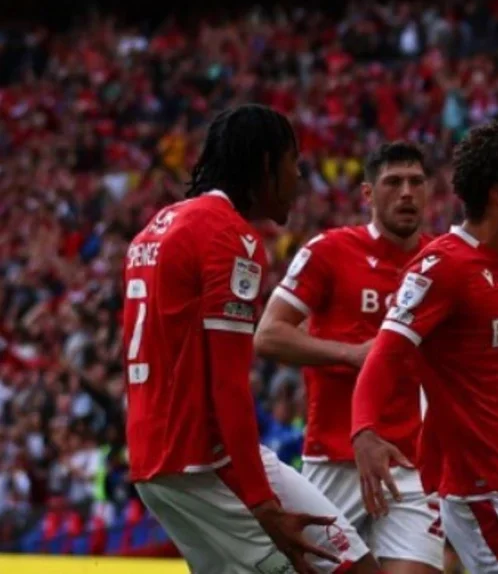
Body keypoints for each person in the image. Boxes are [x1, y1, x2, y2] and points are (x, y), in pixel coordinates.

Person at [123, 104, 378, 574]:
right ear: (266, 165)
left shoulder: (155, 228)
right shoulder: (229, 238)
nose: (299, 179)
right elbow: (228, 386)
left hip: (152, 458)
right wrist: (261, 502)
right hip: (206, 459)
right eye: (293, 164)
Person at [349, 120, 498, 573]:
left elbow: (471, 374)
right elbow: (385, 353)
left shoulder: (496, 265)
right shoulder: (443, 265)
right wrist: (364, 432)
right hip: (493, 497)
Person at [254, 141, 442, 574]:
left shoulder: (441, 262)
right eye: (393, 183)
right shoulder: (329, 251)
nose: (407, 192)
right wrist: (353, 354)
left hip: (413, 466)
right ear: (368, 194)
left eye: (416, 182)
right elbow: (268, 335)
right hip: (336, 459)